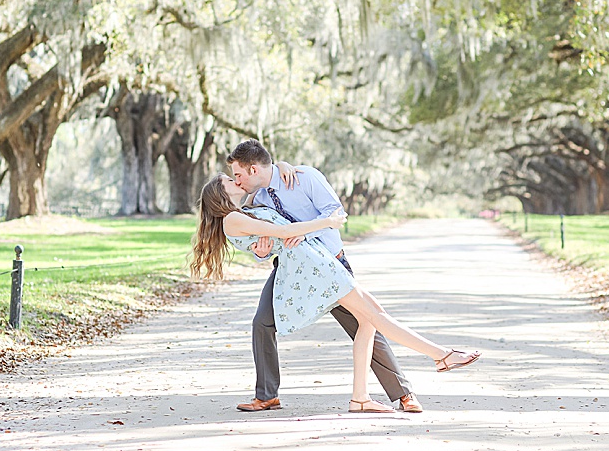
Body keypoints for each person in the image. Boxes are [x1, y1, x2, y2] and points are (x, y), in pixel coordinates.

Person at [190, 173, 481, 414]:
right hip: (314, 269)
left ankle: (361, 398)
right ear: (220, 192)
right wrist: (326, 222)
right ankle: (441, 355)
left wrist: (284, 169)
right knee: (376, 316)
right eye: (230, 179)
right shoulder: (232, 220)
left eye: (237, 174)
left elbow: (271, 196)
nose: (236, 180)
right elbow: (286, 231)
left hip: (318, 262)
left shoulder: (249, 208)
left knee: (369, 321)